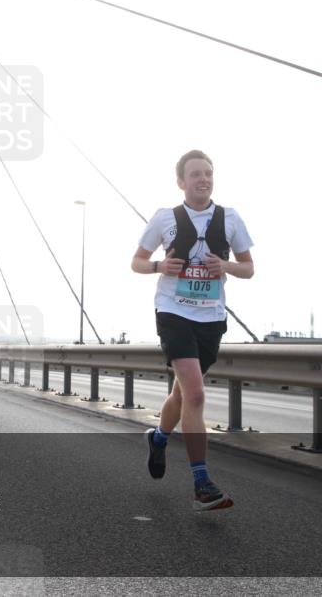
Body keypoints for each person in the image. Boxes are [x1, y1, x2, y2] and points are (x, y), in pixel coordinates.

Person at [132, 149, 254, 512]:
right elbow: (136, 262)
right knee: (196, 395)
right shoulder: (164, 218)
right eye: (196, 174)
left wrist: (226, 267)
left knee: (183, 395)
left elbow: (249, 268)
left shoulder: (230, 218)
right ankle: (202, 484)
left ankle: (158, 438)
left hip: (211, 318)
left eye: (208, 174)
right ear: (181, 181)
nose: (203, 180)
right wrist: (158, 266)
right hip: (173, 312)